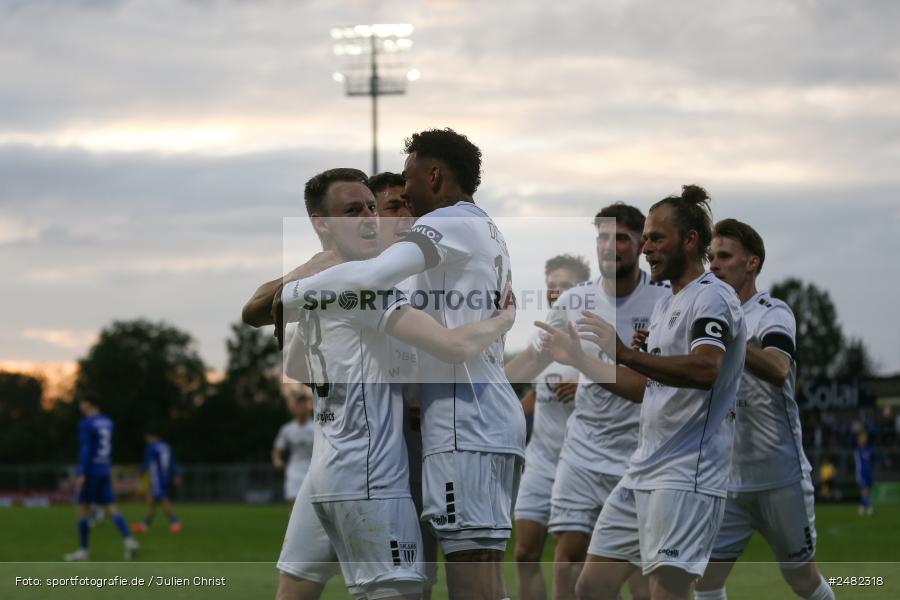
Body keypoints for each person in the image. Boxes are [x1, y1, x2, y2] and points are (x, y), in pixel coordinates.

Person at [279, 130, 526, 600]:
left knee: (469, 580)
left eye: (405, 186)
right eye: (373, 208)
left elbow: (388, 295)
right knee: (474, 577)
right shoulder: (476, 230)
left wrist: (287, 293)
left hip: (459, 426)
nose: (403, 201)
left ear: (434, 175)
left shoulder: (446, 226)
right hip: (456, 427)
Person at [538, 185, 746, 600]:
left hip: (687, 472)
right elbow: (642, 390)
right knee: (591, 587)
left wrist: (627, 354)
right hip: (644, 466)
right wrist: (579, 359)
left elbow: (706, 367)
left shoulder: (712, 297)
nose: (646, 248)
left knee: (665, 591)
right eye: (646, 238)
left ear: (690, 241)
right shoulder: (667, 303)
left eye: (656, 238)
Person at [508, 205, 666, 600]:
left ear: (641, 245)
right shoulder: (574, 301)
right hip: (582, 453)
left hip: (640, 454)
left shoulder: (664, 301)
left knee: (644, 580)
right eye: (603, 237)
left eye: (622, 238)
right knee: (567, 564)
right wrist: (482, 387)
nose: (610, 246)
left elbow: (656, 384)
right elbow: (534, 358)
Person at [694, 218, 833, 600]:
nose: (714, 265)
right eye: (711, 256)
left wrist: (733, 340)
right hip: (727, 481)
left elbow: (778, 367)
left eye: (725, 256)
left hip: (780, 478)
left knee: (803, 582)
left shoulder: (772, 312)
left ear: (752, 263)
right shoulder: (707, 316)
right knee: (705, 581)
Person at [507, 254, 588, 600]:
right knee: (524, 555)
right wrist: (499, 410)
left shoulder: (596, 338)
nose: (557, 292)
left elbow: (625, 389)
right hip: (540, 462)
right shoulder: (542, 340)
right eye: (552, 285)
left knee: (575, 564)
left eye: (566, 286)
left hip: (581, 463)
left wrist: (587, 387)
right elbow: (536, 396)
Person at [64, 399, 140, 561]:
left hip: (91, 470)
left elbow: (86, 449)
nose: (80, 406)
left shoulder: (87, 423)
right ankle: (129, 540)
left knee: (82, 509)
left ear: (89, 403)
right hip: (104, 468)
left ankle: (83, 550)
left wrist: (82, 473)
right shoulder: (108, 422)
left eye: (82, 402)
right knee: (111, 508)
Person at [131, 431, 182, 534]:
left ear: (150, 437)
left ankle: (175, 523)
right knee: (152, 501)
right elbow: (172, 461)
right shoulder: (166, 446)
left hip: (157, 478)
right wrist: (176, 475)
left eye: (147, 438)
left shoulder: (152, 447)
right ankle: (145, 525)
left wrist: (140, 473)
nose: (146, 440)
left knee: (163, 500)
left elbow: (148, 462)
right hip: (165, 476)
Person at [272, 388, 315, 503]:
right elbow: (277, 449)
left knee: (311, 501)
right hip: (294, 468)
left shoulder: (316, 427)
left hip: (312, 468)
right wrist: (277, 461)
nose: (302, 408)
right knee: (293, 499)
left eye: (304, 405)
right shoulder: (287, 429)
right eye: (299, 406)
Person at [854, 432, 886, 516]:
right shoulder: (857, 450)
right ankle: (868, 506)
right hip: (861, 473)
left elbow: (876, 457)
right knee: (864, 490)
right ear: (858, 440)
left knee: (867, 491)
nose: (863, 440)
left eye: (864, 438)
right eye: (861, 438)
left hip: (869, 473)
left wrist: (883, 461)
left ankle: (862, 506)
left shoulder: (869, 449)